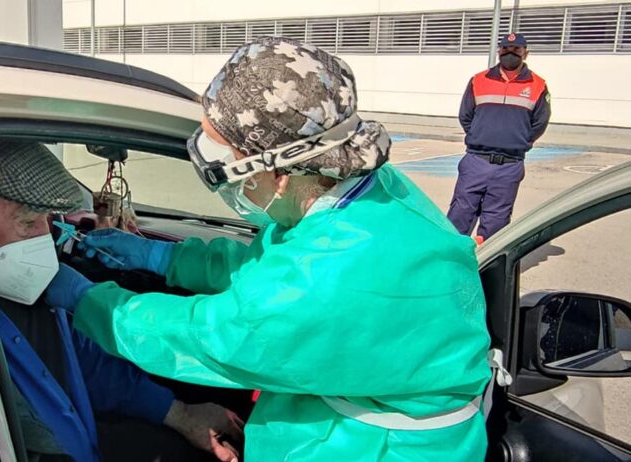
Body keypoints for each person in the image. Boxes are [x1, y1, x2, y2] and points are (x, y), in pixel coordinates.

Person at [45, 37, 493, 461]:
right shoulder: (364, 189)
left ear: (280, 173)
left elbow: (206, 338)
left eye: (225, 162)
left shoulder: (327, 279)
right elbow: (272, 265)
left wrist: (88, 300)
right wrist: (165, 258)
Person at [0, 139, 244, 462]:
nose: (46, 238)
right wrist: (91, 299)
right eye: (27, 222)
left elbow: (88, 365)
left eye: (48, 220)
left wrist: (181, 414)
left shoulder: (18, 291)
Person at [447, 33, 551, 243]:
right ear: (499, 51)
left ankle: (486, 259)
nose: (510, 53)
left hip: (510, 165)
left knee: (496, 221)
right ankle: (452, 256)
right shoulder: (479, 80)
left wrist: (519, 141)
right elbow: (466, 116)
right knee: (460, 213)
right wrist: (480, 135)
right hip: (476, 160)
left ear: (525, 53)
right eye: (505, 49)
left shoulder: (538, 84)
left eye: (516, 50)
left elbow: (540, 122)